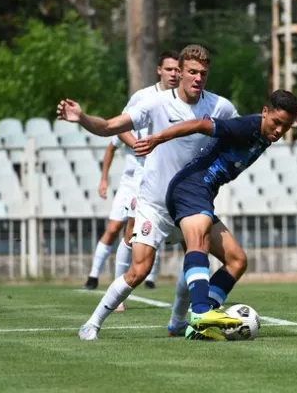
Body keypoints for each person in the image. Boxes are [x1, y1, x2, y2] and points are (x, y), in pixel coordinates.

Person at [57, 45, 263, 341]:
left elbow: (246, 130)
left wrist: (289, 120)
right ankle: (92, 323)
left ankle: (181, 322)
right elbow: (110, 127)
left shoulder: (220, 107)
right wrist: (83, 118)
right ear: (179, 72)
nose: (198, 78)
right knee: (139, 270)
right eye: (192, 71)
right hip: (154, 204)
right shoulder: (155, 104)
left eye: (203, 73)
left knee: (228, 259)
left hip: (192, 202)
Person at [133, 89, 297, 339]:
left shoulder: (267, 131)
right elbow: (198, 124)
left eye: (286, 126)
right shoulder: (244, 127)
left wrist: (295, 120)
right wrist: (158, 138)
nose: (280, 130)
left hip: (201, 192)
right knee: (199, 241)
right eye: (276, 122)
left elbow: (279, 122)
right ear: (264, 113)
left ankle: (202, 324)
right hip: (191, 186)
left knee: (237, 260)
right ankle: (200, 312)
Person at [83, 51, 180, 293]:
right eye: (170, 69)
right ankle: (108, 284)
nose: (174, 74)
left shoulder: (185, 99)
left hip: (169, 176)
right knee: (125, 228)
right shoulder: (144, 96)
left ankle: (175, 291)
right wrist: (139, 146)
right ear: (159, 70)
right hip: (138, 176)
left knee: (172, 232)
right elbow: (118, 128)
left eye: (178, 70)